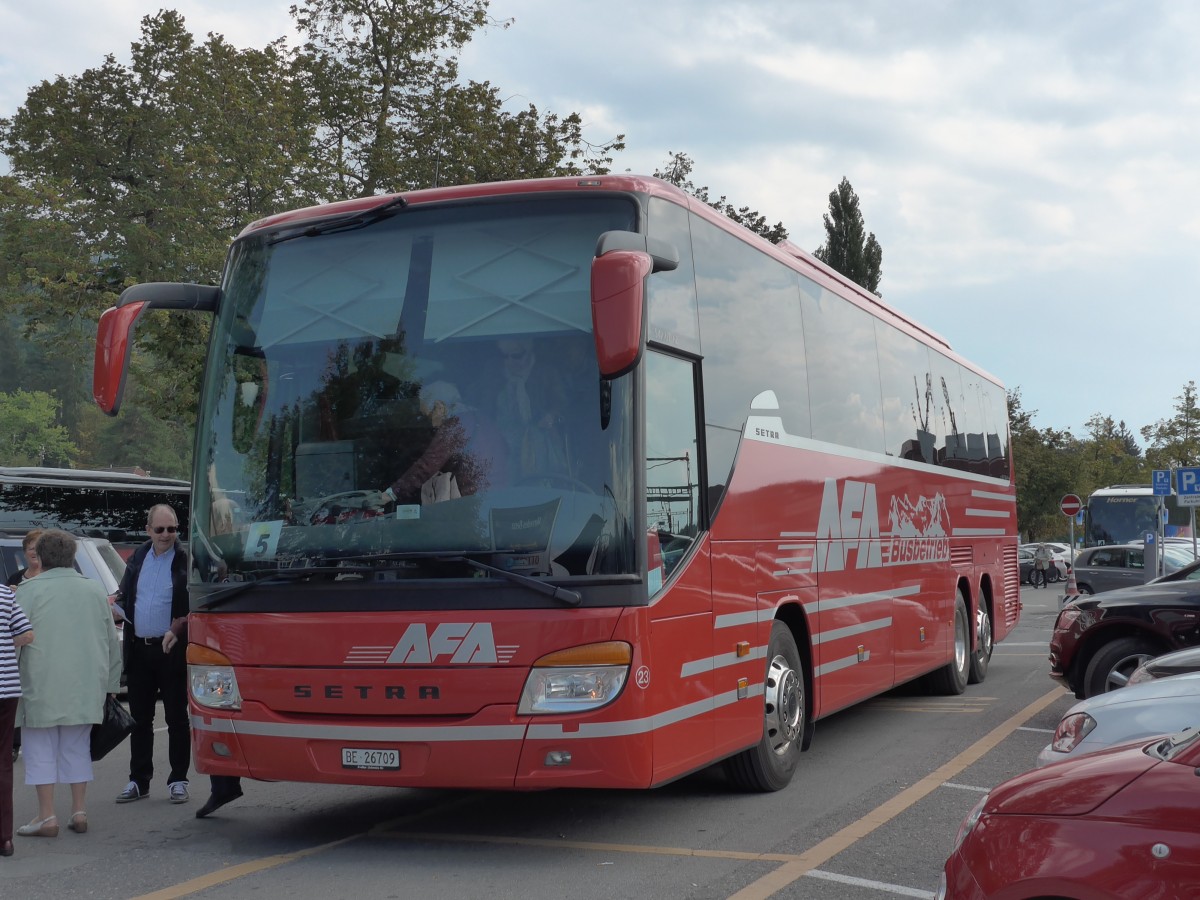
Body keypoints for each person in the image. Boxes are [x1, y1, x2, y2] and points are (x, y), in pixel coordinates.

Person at [13, 530, 121, 840]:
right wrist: (111, 683)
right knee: (77, 748)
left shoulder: (27, 591)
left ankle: (47, 816)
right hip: (85, 685)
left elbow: (16, 641)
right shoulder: (94, 590)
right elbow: (110, 642)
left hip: (39, 684)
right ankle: (79, 810)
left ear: (41, 557)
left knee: (40, 749)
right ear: (72, 556)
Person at [112, 505, 190, 804]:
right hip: (140, 649)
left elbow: (198, 603)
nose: (166, 535)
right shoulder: (138, 556)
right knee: (140, 719)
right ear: (148, 530)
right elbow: (125, 594)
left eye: (172, 529)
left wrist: (179, 628)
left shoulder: (186, 558)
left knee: (176, 718)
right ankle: (138, 780)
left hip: (171, 650)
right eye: (160, 529)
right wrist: (116, 607)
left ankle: (178, 780)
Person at [162, 622, 243, 818]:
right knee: (215, 714)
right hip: (213, 650)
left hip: (227, 646)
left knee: (220, 711)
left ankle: (224, 786)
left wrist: (178, 627)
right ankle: (223, 787)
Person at [380, 381, 505, 506]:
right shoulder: (484, 420)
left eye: (429, 415)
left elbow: (426, 466)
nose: (432, 424)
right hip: (501, 497)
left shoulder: (455, 426)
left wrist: (390, 494)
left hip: (476, 502)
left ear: (440, 407)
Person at [494, 338, 570, 479]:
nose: (510, 361)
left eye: (516, 355)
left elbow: (562, 403)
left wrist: (551, 416)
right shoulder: (495, 377)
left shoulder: (547, 373)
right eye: (504, 356)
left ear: (528, 353)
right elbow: (486, 410)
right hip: (508, 447)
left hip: (543, 444)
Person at [1, 583, 34, 857]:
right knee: (3, 763)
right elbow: (27, 634)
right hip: (7, 688)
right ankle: (4, 839)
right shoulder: (4, 594)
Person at [5, 530, 43, 765]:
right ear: (24, 552)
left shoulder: (49, 577)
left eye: (39, 548)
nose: (35, 552)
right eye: (31, 548)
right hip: (19, 644)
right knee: (17, 694)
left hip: (40, 642)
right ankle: (14, 743)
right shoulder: (15, 578)